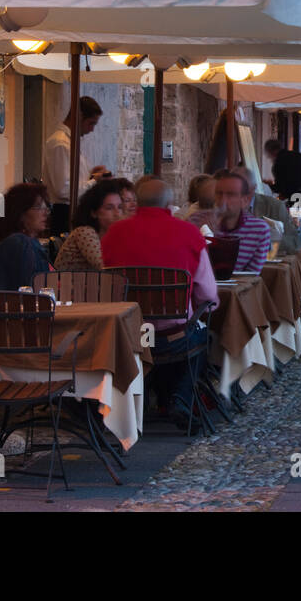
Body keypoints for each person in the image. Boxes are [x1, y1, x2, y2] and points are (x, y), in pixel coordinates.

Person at [101, 176, 217, 430]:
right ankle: (181, 398)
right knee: (203, 334)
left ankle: (152, 397)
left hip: (129, 334)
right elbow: (208, 294)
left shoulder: (115, 233)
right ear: (170, 203)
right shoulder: (188, 232)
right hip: (174, 336)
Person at [42, 96, 107, 234]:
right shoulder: (61, 144)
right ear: (79, 117)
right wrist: (94, 181)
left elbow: (74, 180)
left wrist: (91, 175)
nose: (92, 130)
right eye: (91, 123)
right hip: (64, 213)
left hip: (72, 211)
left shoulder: (70, 143)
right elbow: (63, 189)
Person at [189, 170, 272, 275]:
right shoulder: (196, 221)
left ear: (245, 200)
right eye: (219, 194)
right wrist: (206, 235)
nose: (223, 200)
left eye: (230, 195)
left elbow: (251, 278)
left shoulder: (259, 229)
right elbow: (190, 267)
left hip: (238, 289)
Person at [0, 183, 52, 291]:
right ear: (20, 212)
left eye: (46, 207)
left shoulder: (25, 242)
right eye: (38, 207)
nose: (46, 213)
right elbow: (28, 291)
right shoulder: (19, 243)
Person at [53, 181, 125, 272]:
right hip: (65, 285)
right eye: (109, 208)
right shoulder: (84, 232)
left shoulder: (111, 235)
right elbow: (105, 267)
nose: (117, 213)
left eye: (120, 207)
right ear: (94, 212)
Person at [230, 165, 299, 256]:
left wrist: (266, 240)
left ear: (253, 188)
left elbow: (295, 243)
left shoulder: (274, 207)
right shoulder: (222, 207)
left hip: (267, 265)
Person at [264, 139, 301, 209]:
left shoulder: (279, 163)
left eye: (268, 155)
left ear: (271, 152)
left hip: (298, 198)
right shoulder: (298, 155)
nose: (269, 157)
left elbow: (280, 188)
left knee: (299, 219)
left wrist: (268, 185)